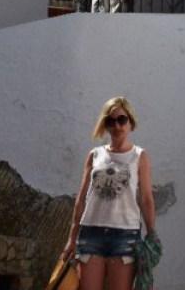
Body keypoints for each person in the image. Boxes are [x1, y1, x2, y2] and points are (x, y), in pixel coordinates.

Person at [62, 96, 156, 290]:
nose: (117, 125)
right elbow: (81, 199)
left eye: (122, 119)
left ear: (131, 122)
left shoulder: (140, 156)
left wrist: (152, 234)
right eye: (110, 121)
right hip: (90, 235)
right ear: (105, 125)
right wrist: (72, 238)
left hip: (125, 236)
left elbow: (146, 199)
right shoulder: (95, 155)